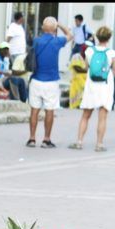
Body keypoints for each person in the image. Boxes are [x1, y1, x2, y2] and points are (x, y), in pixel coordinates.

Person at [69, 26, 115, 152]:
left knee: (85, 115)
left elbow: (86, 67)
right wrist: (109, 76)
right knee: (102, 117)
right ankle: (99, 144)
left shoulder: (89, 51)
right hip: (105, 86)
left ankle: (79, 141)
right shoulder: (111, 53)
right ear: (108, 38)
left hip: (91, 86)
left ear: (97, 37)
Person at [26, 17, 70, 148]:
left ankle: (32, 138)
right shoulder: (57, 41)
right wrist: (59, 24)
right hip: (51, 81)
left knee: (34, 110)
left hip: (36, 80)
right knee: (49, 111)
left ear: (43, 28)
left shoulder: (37, 41)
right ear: (54, 29)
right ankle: (46, 139)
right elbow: (70, 35)